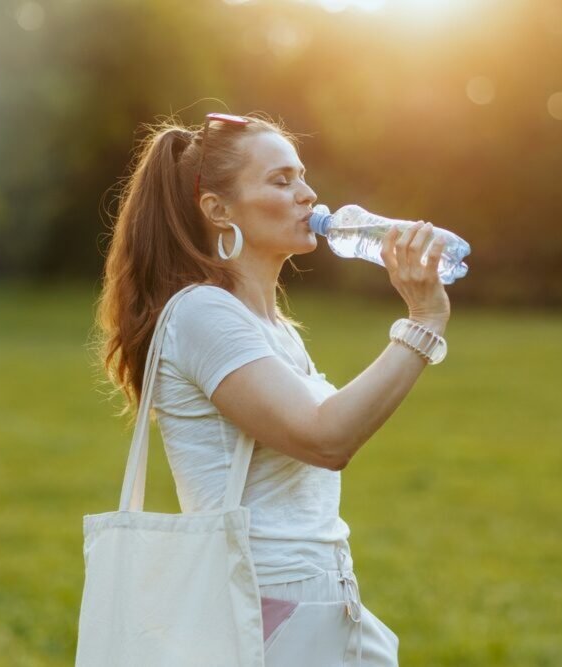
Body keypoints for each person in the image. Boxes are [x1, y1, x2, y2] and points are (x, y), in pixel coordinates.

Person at [94, 111, 451, 666]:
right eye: (281, 181)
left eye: (302, 176)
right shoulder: (201, 314)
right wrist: (422, 320)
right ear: (217, 210)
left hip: (313, 601)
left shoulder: (273, 327)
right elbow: (326, 439)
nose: (307, 195)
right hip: (265, 613)